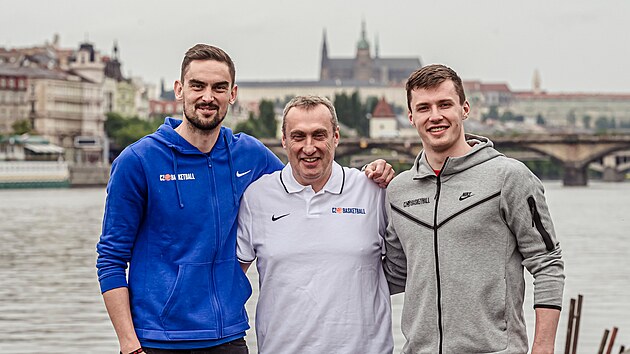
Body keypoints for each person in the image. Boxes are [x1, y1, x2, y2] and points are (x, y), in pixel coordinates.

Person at [96, 44, 393, 354]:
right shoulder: (138, 161)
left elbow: (301, 184)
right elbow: (111, 259)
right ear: (179, 90)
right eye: (198, 86)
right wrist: (130, 345)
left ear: (232, 94)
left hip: (229, 337)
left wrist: (368, 178)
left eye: (219, 87)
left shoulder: (248, 155)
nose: (208, 96)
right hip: (157, 341)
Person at [383, 64, 565, 354]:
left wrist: (543, 347)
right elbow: (393, 274)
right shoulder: (397, 191)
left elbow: (547, 263)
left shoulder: (509, 177)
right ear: (411, 117)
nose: (435, 116)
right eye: (424, 108)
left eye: (445, 104)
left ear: (465, 109)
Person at [237, 95, 394, 354]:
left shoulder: (373, 190)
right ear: (284, 140)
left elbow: (412, 264)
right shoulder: (257, 197)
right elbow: (231, 280)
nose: (309, 148)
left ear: (336, 136)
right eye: (298, 136)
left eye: (319, 135)